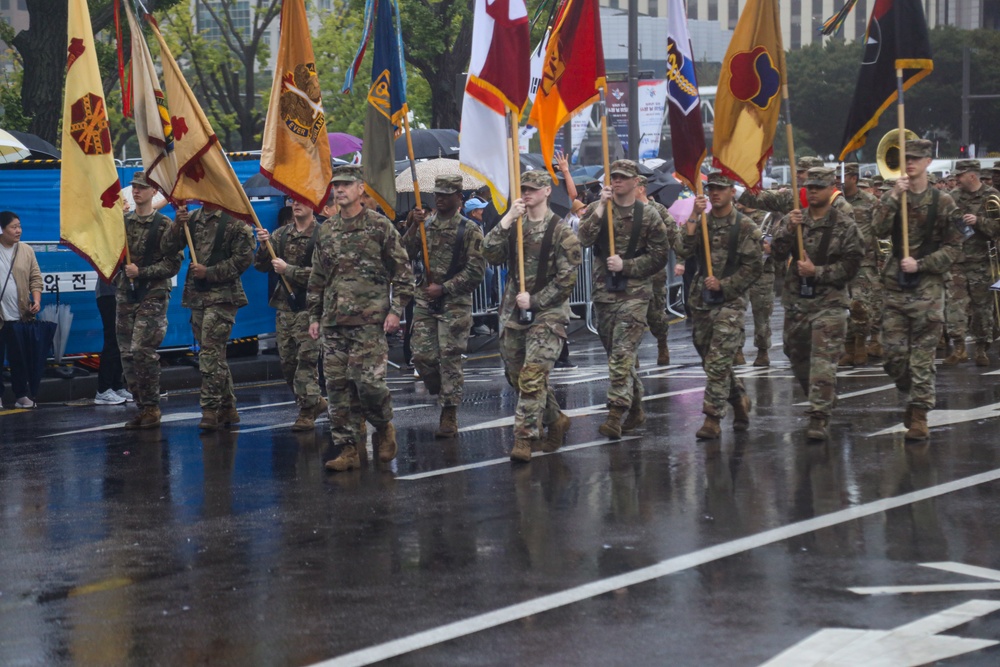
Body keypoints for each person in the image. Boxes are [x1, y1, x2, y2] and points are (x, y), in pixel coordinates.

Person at [308, 165, 414, 472]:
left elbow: (403, 272)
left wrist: (396, 310)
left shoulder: (379, 227)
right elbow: (318, 277)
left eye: (345, 185)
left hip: (369, 323)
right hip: (333, 323)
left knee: (368, 385)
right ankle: (348, 448)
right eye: (336, 186)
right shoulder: (326, 230)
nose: (339, 190)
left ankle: (384, 426)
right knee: (338, 390)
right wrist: (314, 316)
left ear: (360, 190)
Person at [482, 170, 582, 461]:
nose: (527, 193)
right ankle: (555, 419)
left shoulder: (561, 231)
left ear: (547, 191)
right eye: (524, 188)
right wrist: (506, 220)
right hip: (513, 314)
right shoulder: (516, 226)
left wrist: (536, 300)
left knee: (532, 376)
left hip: (548, 315)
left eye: (534, 189)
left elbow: (567, 279)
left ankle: (524, 438)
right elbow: (490, 254)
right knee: (516, 376)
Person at [870, 138, 963, 440]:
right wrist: (892, 197)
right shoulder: (895, 196)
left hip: (928, 289)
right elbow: (877, 229)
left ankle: (920, 414)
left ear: (927, 162)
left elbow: (954, 248)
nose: (908, 163)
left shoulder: (944, 202)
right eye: (904, 158)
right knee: (893, 357)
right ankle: (912, 394)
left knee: (922, 356)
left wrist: (922, 264)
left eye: (915, 158)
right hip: (896, 287)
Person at [577, 159, 669, 439]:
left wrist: (627, 266)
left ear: (635, 182)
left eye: (622, 177)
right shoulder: (597, 209)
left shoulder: (649, 215)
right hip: (604, 293)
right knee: (615, 355)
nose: (616, 181)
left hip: (635, 294)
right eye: (613, 177)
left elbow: (659, 255)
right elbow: (583, 238)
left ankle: (615, 413)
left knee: (621, 353)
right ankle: (637, 407)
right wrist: (601, 208)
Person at [771, 167, 864, 441]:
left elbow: (852, 265)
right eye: (808, 187)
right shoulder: (795, 219)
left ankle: (818, 416)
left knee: (823, 360)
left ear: (831, 188)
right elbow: (775, 253)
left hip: (830, 303)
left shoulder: (845, 225)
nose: (812, 191)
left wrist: (818, 272)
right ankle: (822, 396)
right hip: (798, 301)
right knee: (796, 354)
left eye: (818, 187)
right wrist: (788, 229)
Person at [679, 173, 762, 439]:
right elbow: (682, 249)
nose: (715, 193)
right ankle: (738, 399)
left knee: (717, 361)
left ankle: (712, 418)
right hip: (702, 300)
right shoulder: (702, 222)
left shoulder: (746, 227)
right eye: (711, 189)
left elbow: (754, 267)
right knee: (708, 357)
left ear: (732, 192)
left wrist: (725, 285)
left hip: (731, 302)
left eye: (720, 189)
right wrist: (694, 214)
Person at [403, 175, 486, 437]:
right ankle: (441, 388)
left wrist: (446, 287)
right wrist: (413, 227)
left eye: (446, 194)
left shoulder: (469, 229)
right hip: (426, 298)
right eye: (437, 193)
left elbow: (476, 270)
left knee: (450, 357)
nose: (439, 198)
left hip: (454, 301)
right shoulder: (426, 225)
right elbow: (404, 252)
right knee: (421, 355)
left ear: (458, 197)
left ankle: (449, 412)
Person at [166, 203, 254, 431]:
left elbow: (243, 259)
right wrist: (178, 224)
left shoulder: (234, 223)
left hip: (223, 297)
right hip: (197, 296)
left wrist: (211, 272)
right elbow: (168, 247)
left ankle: (210, 409)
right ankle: (228, 407)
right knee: (214, 354)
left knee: (209, 353)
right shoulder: (191, 219)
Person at [116, 172, 182, 428]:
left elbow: (173, 263)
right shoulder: (123, 222)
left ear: (154, 192)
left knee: (141, 349)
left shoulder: (163, 224)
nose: (136, 192)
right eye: (134, 187)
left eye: (142, 188)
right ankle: (142, 406)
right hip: (125, 293)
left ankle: (152, 406)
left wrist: (141, 272)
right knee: (126, 354)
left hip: (152, 294)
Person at [254, 197, 327, 431]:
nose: (296, 204)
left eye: (302, 201)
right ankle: (314, 402)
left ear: (313, 206)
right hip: (285, 309)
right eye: (293, 201)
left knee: (306, 361)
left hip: (311, 309)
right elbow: (261, 266)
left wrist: (290, 271)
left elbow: (326, 275)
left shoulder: (323, 235)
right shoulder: (281, 234)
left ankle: (306, 412)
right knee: (288, 365)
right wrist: (264, 246)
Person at [943, 159, 1000, 366]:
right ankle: (958, 346)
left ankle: (981, 347)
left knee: (982, 308)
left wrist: (979, 221)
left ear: (972, 175)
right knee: (955, 305)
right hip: (957, 260)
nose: (956, 179)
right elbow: (944, 224)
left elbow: (997, 228)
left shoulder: (991, 196)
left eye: (960, 175)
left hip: (982, 261)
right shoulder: (952, 197)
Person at [636, 174, 683, 366]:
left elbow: (674, 235)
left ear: (641, 188)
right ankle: (631, 353)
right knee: (631, 315)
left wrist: (680, 260)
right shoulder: (622, 210)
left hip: (654, 270)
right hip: (631, 271)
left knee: (655, 315)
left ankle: (662, 342)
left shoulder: (657, 210)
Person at [839, 162, 880, 367]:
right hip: (839, 263)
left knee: (860, 305)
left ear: (853, 178)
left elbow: (881, 229)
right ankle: (848, 348)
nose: (839, 180)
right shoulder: (834, 201)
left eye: (843, 176)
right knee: (842, 306)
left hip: (863, 262)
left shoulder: (870, 201)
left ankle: (861, 343)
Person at [0, 211, 42, 408]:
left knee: (20, 359)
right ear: (2, 229)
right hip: (1, 315)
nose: (18, 230)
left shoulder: (26, 250)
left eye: (19, 226)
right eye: (13, 227)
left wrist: (36, 300)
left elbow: (36, 278)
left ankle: (21, 395)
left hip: (20, 315)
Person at [737, 205, 777, 366]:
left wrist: (771, 248)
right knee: (736, 313)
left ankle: (763, 351)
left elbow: (780, 242)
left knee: (762, 315)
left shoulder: (768, 216)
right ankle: (737, 351)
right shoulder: (733, 216)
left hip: (763, 273)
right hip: (739, 273)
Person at [94, 279, 129, 405]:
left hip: (123, 292)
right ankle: (103, 389)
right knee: (112, 340)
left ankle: (117, 386)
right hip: (108, 293)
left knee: (121, 340)